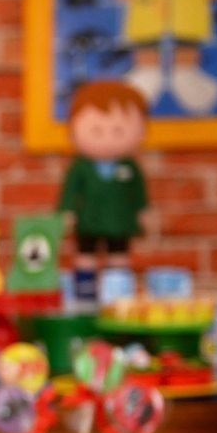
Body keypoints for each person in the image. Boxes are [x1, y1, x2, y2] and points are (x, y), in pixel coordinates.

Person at [57, 80, 150, 310]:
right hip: (89, 220)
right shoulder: (81, 167)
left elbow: (138, 192)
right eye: (97, 130)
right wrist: (66, 212)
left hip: (119, 222)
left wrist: (143, 211)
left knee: (119, 256)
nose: (107, 137)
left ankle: (118, 296)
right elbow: (69, 191)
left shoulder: (129, 166)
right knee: (85, 255)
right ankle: (85, 294)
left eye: (118, 130)